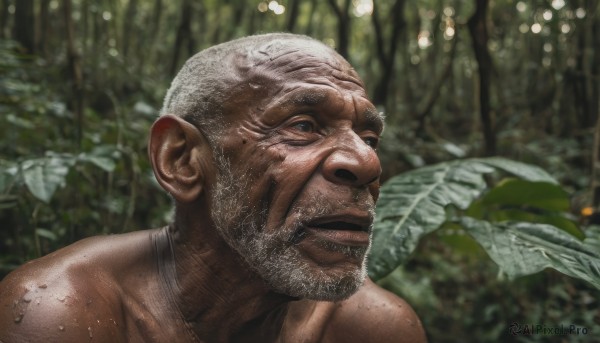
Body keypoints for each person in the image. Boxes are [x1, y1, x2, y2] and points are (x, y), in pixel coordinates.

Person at [0, 33, 426, 342]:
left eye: (369, 138)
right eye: (303, 127)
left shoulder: (374, 326)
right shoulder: (65, 311)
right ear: (180, 160)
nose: (367, 163)